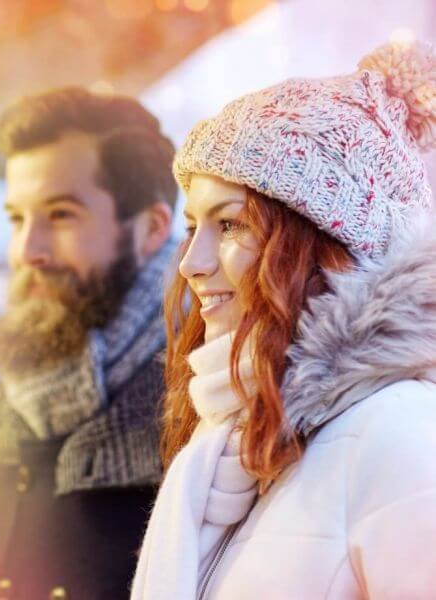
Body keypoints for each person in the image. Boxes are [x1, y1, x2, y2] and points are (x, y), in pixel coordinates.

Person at [132, 41, 436, 599]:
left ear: (325, 244)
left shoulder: (402, 433)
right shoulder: (237, 440)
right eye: (194, 225)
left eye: (230, 225)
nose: (192, 264)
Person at [0, 87, 178, 599]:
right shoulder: (32, 365)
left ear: (151, 228)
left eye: (61, 215)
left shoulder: (206, 392)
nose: (27, 251)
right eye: (17, 219)